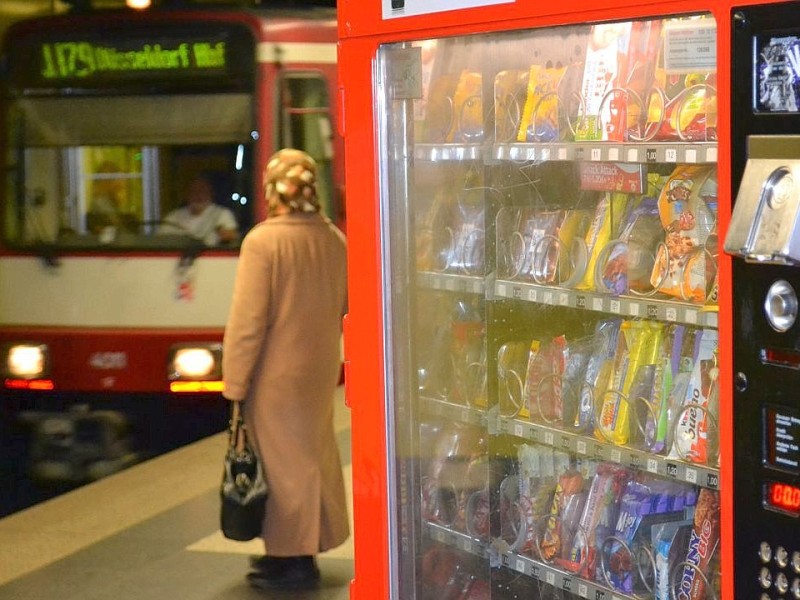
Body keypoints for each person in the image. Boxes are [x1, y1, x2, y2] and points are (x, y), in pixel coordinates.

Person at [221, 149, 349, 590]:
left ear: (272, 188)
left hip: (274, 374)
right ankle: (291, 552)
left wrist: (234, 380)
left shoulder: (264, 241)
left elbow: (247, 323)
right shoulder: (333, 239)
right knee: (309, 457)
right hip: (319, 369)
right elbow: (346, 305)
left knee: (282, 466)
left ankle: (293, 560)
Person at [159, 175, 238, 246]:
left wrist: (227, 236)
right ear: (187, 194)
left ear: (210, 193)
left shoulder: (222, 214)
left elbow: (231, 236)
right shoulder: (173, 217)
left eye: (202, 191)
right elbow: (161, 240)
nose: (198, 195)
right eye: (194, 191)